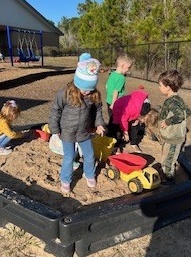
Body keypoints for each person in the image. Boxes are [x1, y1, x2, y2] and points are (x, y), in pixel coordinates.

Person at [49, 53, 105, 194]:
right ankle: (65, 180)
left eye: (90, 88)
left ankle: (89, 174)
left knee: (90, 154)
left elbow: (98, 110)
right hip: (67, 131)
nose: (87, 92)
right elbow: (55, 110)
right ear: (77, 82)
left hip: (84, 131)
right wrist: (54, 129)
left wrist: (99, 124)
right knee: (69, 157)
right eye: (84, 88)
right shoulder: (65, 93)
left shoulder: (93, 95)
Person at [158, 70, 191, 185]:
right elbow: (188, 111)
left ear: (168, 87)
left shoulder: (172, 102)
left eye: (160, 85)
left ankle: (169, 179)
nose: (159, 87)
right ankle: (166, 172)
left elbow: (181, 115)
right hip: (171, 136)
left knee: (168, 160)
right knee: (167, 156)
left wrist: (168, 121)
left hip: (173, 138)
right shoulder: (177, 99)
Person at [112, 87, 151, 153]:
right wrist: (125, 132)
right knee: (119, 129)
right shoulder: (130, 109)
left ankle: (133, 143)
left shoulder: (146, 104)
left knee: (135, 126)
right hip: (120, 109)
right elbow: (123, 119)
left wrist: (137, 119)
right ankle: (117, 146)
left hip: (133, 111)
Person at [106, 54, 133, 137]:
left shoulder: (112, 74)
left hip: (108, 101)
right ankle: (115, 137)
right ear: (122, 66)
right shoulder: (121, 78)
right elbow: (116, 91)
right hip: (116, 103)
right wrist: (114, 103)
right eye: (127, 68)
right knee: (117, 121)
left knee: (111, 119)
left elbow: (107, 86)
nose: (127, 70)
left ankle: (110, 135)